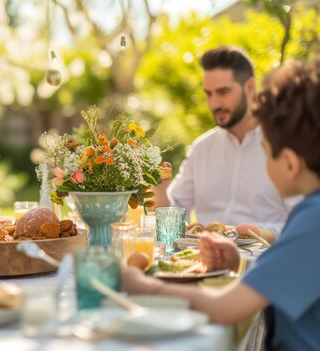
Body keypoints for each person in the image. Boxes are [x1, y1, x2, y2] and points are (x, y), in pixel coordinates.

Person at [122, 58, 320, 350]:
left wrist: (139, 284)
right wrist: (237, 261)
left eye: (265, 153)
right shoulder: (311, 212)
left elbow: (224, 308)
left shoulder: (312, 221)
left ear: (290, 163)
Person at [154, 46, 297, 238]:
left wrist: (259, 232)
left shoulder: (286, 144)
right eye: (209, 93)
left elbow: (303, 223)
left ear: (250, 87)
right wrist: (161, 189)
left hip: (264, 261)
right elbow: (175, 212)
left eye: (223, 92)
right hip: (204, 263)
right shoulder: (201, 148)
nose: (214, 104)